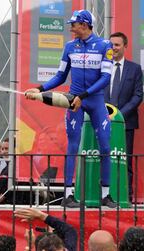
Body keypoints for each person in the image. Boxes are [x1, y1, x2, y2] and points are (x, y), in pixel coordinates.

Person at [25, 9, 116, 208]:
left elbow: (105, 78)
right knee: (72, 146)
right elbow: (60, 76)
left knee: (105, 146)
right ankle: (68, 195)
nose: (71, 27)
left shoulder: (104, 46)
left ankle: (106, 195)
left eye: (74, 24)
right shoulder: (69, 46)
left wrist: (82, 97)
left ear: (84, 25)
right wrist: (39, 89)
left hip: (94, 101)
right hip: (73, 101)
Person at [104, 32, 143, 201]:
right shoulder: (102, 66)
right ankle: (104, 194)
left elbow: (138, 95)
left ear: (125, 46)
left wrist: (119, 115)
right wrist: (103, 114)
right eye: (111, 44)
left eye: (117, 45)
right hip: (103, 121)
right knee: (103, 158)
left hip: (125, 122)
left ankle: (125, 195)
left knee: (124, 160)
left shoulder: (135, 69)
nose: (113, 48)